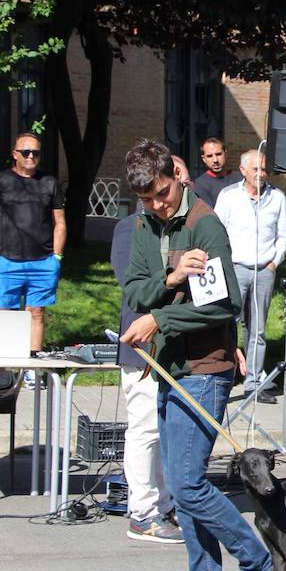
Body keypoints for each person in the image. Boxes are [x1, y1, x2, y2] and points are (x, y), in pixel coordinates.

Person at [118, 138, 277, 571]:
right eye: (146, 199)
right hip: (168, 366)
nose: (157, 204)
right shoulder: (146, 225)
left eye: (162, 193)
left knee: (187, 484)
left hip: (205, 367)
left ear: (176, 177)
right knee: (182, 482)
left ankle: (260, 564)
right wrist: (169, 279)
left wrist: (160, 321)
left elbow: (222, 305)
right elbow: (134, 287)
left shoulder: (204, 224)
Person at [109, 155, 192, 545]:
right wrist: (176, 277)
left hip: (177, 346)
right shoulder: (130, 229)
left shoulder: (186, 229)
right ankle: (142, 513)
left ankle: (166, 502)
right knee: (144, 428)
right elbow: (135, 287)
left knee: (167, 432)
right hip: (141, 346)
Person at [0, 131, 66, 352]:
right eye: (25, 152)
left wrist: (56, 257)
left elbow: (60, 223)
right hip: (7, 262)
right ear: (14, 154)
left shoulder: (49, 184)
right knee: (0, 316)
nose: (30, 157)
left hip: (43, 263)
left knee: (36, 313)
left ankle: (31, 369)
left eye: (35, 153)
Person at [214, 149, 286, 403]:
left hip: (264, 269)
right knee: (228, 324)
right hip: (236, 267)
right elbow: (215, 232)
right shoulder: (228, 196)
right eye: (255, 169)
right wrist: (227, 262)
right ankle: (221, 377)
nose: (261, 174)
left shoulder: (277, 198)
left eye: (264, 169)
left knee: (257, 329)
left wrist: (273, 262)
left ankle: (254, 383)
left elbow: (284, 237)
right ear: (243, 170)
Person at [192, 137, 240, 209]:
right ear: (204, 159)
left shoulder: (240, 178)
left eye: (218, 154)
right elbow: (209, 213)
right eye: (209, 156)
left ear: (225, 154)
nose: (215, 160)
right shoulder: (201, 184)